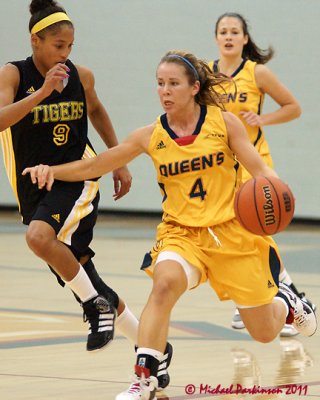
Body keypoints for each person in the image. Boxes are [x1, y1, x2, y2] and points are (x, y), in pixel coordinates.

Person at [23, 50, 317, 400]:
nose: (165, 91)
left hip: (232, 233)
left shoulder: (223, 123)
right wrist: (51, 171)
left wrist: (277, 197)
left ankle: (288, 305)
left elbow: (261, 172)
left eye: (173, 83)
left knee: (264, 333)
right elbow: (95, 165)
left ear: (194, 87)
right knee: (162, 286)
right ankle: (145, 377)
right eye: (160, 84)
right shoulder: (150, 135)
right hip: (182, 235)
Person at [0, 2, 174, 389]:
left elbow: (96, 111)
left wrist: (118, 161)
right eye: (59, 46)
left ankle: (94, 307)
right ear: (36, 41)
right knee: (85, 275)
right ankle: (155, 350)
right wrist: (43, 92)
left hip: (78, 175)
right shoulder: (14, 74)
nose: (65, 54)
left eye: (70, 47)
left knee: (38, 239)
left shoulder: (82, 76)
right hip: (35, 187)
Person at [209, 12, 315, 337]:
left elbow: (293, 107)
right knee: (236, 235)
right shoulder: (206, 75)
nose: (228, 36)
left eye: (234, 31)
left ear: (244, 39)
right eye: (223, 31)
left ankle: (280, 299)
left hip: (254, 165)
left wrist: (262, 120)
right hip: (221, 168)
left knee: (256, 233)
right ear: (216, 38)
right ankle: (283, 299)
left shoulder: (257, 72)